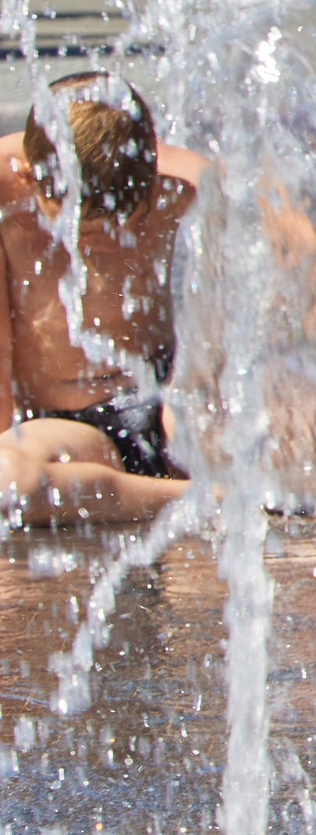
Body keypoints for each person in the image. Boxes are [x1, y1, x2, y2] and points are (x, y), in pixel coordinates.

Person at [0, 73, 204, 527]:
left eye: (134, 219)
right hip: (66, 431)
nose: (118, 241)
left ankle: (194, 490)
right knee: (9, 482)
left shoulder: (188, 184)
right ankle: (203, 500)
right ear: (32, 180)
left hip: (166, 407)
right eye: (89, 233)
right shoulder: (4, 193)